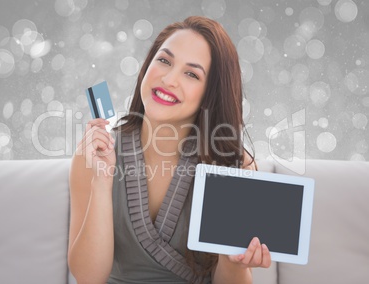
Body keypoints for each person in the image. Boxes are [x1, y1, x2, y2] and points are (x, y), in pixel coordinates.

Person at [68, 16, 271, 284]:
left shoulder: (233, 163)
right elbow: (88, 277)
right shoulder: (95, 155)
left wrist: (233, 263)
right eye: (164, 60)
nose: (168, 79)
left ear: (211, 92)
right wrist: (102, 182)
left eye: (191, 74)